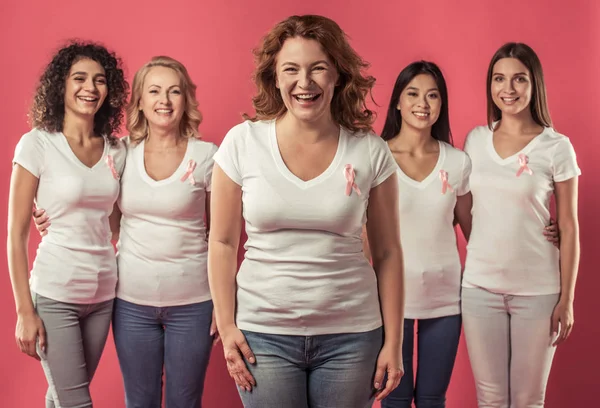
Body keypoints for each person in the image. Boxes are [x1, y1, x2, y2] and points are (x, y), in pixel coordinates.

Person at [208, 14, 404, 408]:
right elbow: (223, 242)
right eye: (291, 70)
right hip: (262, 335)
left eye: (318, 69)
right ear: (275, 78)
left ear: (338, 76)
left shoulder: (369, 150)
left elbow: (388, 253)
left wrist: (394, 344)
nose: (305, 82)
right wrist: (227, 325)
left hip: (352, 336)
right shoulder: (241, 143)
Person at [34, 56, 219, 408]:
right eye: (154, 91)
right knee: (139, 401)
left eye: (174, 91)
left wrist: (224, 304)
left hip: (194, 301)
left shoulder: (208, 156)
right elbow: (101, 211)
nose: (164, 100)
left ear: (185, 99)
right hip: (131, 301)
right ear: (141, 102)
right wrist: (48, 214)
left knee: (186, 401)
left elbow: (222, 236)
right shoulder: (120, 152)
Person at [8, 41, 128, 407]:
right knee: (76, 402)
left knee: (60, 398)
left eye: (100, 80)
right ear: (61, 85)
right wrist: (25, 312)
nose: (90, 88)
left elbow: (118, 221)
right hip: (56, 293)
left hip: (104, 295)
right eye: (79, 78)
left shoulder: (117, 150)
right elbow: (15, 235)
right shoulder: (37, 145)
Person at [461, 42, 581, 408]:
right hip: (480, 290)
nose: (508, 89)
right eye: (499, 79)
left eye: (518, 79)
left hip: (538, 292)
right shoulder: (475, 140)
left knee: (528, 400)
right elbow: (465, 210)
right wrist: (488, 242)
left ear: (534, 85)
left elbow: (571, 226)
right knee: (491, 399)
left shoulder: (557, 147)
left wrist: (567, 299)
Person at [377, 61, 472, 408]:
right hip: (390, 299)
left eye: (433, 95)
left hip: (445, 297)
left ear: (441, 104)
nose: (423, 103)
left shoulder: (457, 161)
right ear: (397, 102)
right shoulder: (376, 156)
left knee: (433, 399)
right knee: (395, 398)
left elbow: (473, 229)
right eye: (413, 93)